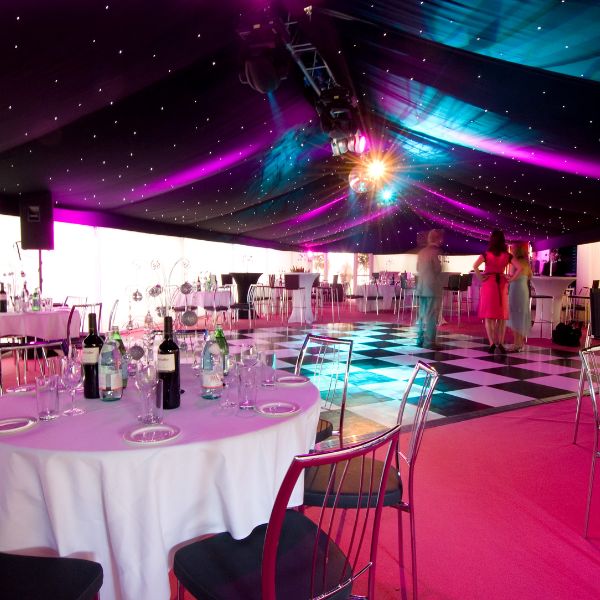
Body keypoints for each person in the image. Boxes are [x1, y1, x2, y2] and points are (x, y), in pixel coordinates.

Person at [473, 230, 522, 353]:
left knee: (489, 316)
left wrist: (481, 277)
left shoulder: (486, 254)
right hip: (501, 284)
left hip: (489, 284)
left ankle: (491, 344)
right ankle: (500, 343)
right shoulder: (507, 255)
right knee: (501, 317)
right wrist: (511, 279)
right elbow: (520, 268)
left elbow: (475, 266)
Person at [416, 229, 444, 349]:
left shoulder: (421, 252)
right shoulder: (436, 252)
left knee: (422, 314)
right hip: (432, 287)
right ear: (438, 239)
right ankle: (429, 342)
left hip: (421, 287)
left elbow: (417, 268)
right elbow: (438, 269)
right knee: (432, 314)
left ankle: (420, 338)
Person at [508, 242, 532, 352]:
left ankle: (516, 343)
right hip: (524, 290)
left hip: (515, 289)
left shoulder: (514, 263)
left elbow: (510, 276)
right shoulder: (527, 264)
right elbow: (530, 276)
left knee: (514, 315)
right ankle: (520, 343)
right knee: (522, 315)